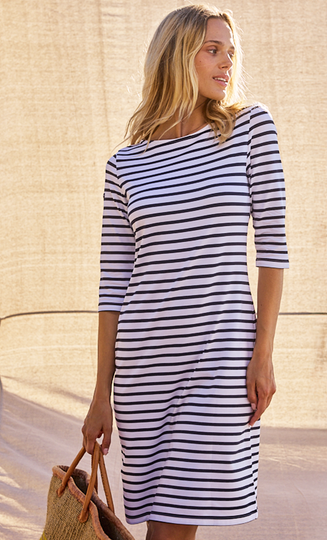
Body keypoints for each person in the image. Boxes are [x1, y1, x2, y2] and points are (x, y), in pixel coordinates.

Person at [80, 5, 289, 540]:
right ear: (177, 55)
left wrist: (262, 354)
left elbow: (273, 250)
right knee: (164, 524)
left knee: (176, 521)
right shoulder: (125, 164)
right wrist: (101, 393)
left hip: (220, 359)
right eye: (212, 50)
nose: (226, 63)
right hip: (145, 367)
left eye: (230, 51)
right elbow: (113, 285)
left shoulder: (248, 130)